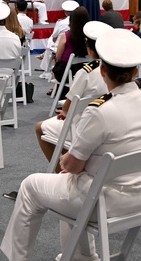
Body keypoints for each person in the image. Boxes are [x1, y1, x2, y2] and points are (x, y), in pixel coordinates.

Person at [0, 29, 141, 261]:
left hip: (103, 202)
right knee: (75, 181)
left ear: (103, 72)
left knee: (33, 185)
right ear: (137, 71)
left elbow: (72, 165)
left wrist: (66, 164)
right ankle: (82, 254)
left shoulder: (100, 111)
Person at [36, 20, 113, 164]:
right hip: (110, 121)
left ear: (90, 49)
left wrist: (65, 113)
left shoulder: (86, 72)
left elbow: (69, 106)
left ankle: (62, 170)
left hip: (82, 125)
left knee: (40, 127)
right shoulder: (116, 71)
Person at [51, 6, 89, 95]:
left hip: (67, 73)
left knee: (56, 66)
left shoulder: (67, 35)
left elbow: (58, 57)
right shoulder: (90, 36)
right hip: (86, 72)